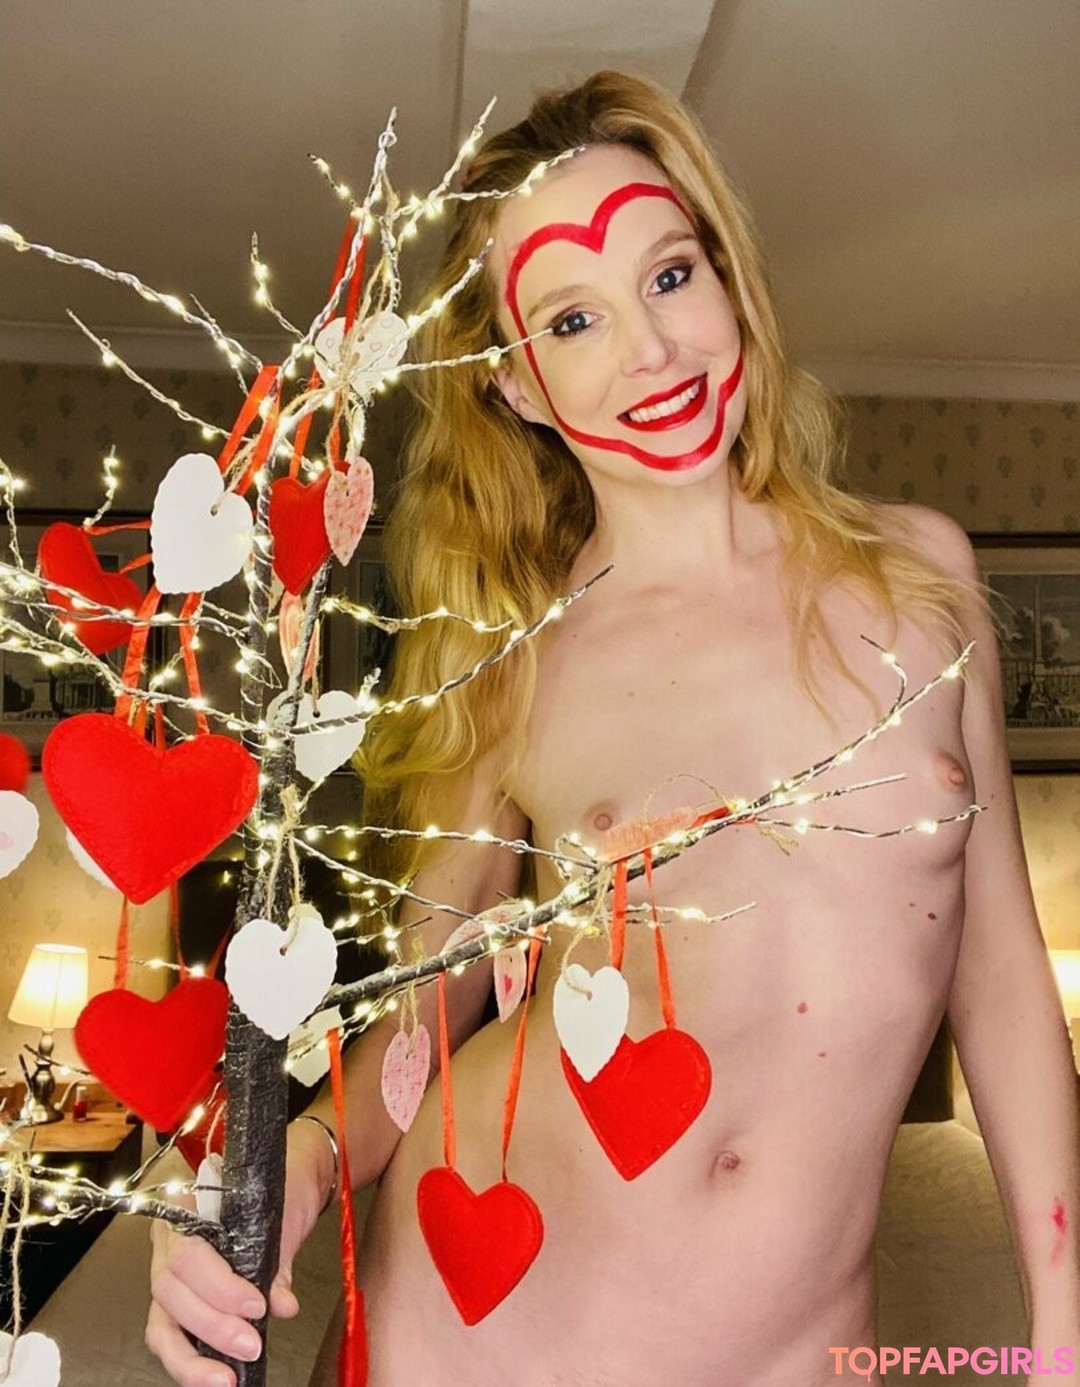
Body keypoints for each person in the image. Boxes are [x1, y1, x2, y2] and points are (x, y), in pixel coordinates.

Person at [146, 71, 1079, 1387]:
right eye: (574, 317)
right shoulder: (515, 653)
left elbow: (1001, 974)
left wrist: (1062, 1315)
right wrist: (308, 1150)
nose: (650, 349)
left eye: (670, 274)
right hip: (479, 1333)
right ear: (518, 386)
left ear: (729, 281)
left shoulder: (925, 579)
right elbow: (428, 1001)